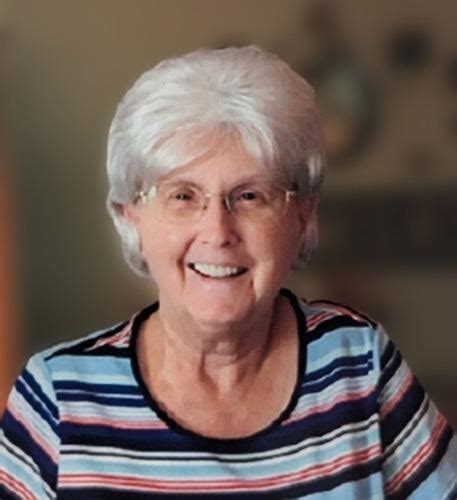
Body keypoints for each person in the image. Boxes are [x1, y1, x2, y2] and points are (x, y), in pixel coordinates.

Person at [0, 45, 456, 499]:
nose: (218, 232)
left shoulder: (358, 362)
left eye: (250, 196)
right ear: (131, 217)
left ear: (302, 215)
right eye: (183, 196)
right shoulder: (57, 399)